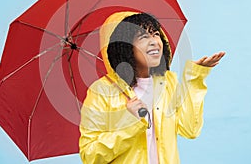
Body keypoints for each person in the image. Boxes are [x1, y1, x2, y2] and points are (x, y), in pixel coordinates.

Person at [79, 11, 225, 164]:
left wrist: (194, 78)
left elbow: (190, 130)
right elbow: (90, 157)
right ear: (125, 47)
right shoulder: (101, 91)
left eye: (155, 34)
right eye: (143, 37)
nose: (155, 41)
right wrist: (130, 121)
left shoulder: (168, 82)